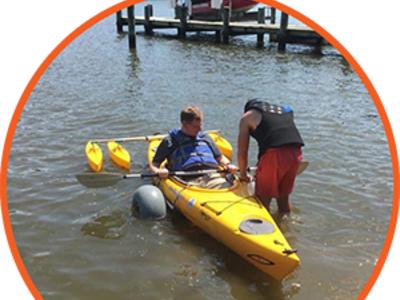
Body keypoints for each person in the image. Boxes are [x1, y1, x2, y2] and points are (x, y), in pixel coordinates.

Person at [237, 99, 304, 214]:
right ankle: (286, 226)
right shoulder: (284, 110)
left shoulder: (247, 117)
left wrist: (243, 175)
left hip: (274, 155)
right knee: (283, 198)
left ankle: (264, 229)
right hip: (296, 153)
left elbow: (243, 151)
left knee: (263, 200)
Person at [149, 105, 237, 188]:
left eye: (200, 125)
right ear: (184, 124)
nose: (200, 129)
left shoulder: (205, 137)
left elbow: (220, 157)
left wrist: (228, 165)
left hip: (213, 176)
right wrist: (158, 171)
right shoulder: (170, 141)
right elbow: (154, 165)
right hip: (187, 180)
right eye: (195, 126)